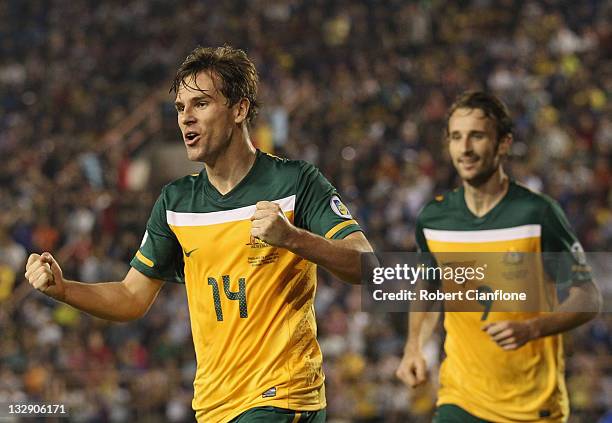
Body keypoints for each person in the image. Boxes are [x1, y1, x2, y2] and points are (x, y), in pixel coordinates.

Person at [25, 45, 373, 423]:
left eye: (201, 104)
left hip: (281, 398)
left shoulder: (295, 182)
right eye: (180, 108)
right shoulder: (176, 202)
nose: (186, 119)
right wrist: (64, 290)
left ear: (239, 109)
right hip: (213, 406)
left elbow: (368, 265)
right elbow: (131, 297)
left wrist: (295, 239)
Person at [395, 91, 601, 422]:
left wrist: (533, 328)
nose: (465, 149)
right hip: (460, 397)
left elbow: (588, 296)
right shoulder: (434, 218)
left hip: (532, 406)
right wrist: (413, 347)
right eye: (456, 137)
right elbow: (429, 288)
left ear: (503, 143)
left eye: (476, 136)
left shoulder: (538, 213)